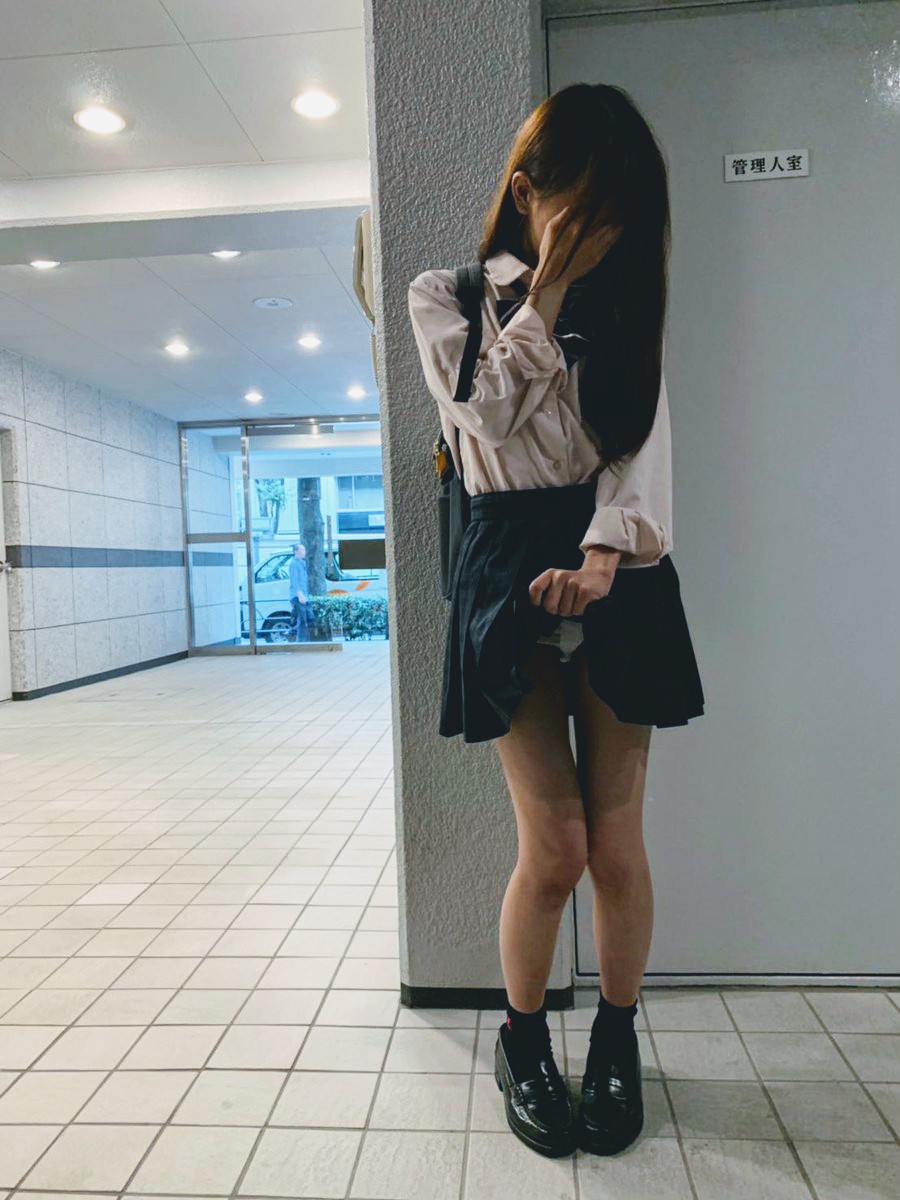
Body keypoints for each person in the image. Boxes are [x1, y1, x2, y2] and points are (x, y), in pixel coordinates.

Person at [407, 83, 705, 1159]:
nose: (602, 237)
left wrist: (607, 550)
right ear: (527, 190)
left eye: (619, 219)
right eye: (587, 212)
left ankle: (616, 1039)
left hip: (614, 565)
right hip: (506, 571)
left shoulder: (626, 308)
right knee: (558, 847)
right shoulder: (444, 296)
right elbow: (483, 412)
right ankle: (522, 1039)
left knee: (618, 847)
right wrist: (548, 291)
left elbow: (641, 442)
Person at [288, 542, 310, 643]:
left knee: (306, 619)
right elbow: (294, 581)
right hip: (297, 596)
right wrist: (300, 595)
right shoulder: (294, 564)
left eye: (304, 550)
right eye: (302, 550)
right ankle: (300, 642)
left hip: (304, 596)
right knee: (302, 621)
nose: (304, 552)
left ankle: (293, 635)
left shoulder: (302, 563)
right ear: (296, 551)